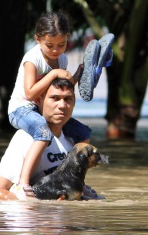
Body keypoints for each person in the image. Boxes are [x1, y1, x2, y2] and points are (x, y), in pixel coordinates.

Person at [8, 11, 92, 192]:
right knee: (42, 131)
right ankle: (23, 183)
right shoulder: (32, 59)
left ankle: (77, 180)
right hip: (22, 109)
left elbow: (60, 88)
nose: (55, 50)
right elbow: (30, 93)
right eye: (50, 45)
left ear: (68, 38)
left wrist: (77, 75)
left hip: (43, 108)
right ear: (37, 39)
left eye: (61, 45)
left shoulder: (62, 59)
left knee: (83, 133)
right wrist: (54, 73)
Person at [0, 78, 102, 200]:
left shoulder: (73, 141)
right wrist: (38, 205)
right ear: (38, 100)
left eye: (68, 99)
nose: (62, 106)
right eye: (55, 98)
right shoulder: (26, 139)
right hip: (35, 216)